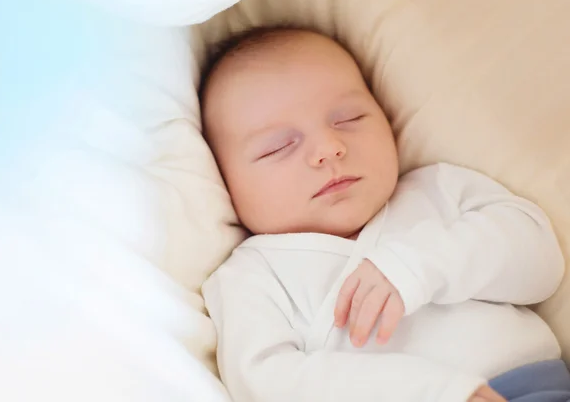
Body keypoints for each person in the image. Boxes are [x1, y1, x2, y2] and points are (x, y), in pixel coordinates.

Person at [199, 27, 569, 402]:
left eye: (348, 119)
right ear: (225, 180)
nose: (329, 147)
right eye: (278, 147)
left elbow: (541, 263)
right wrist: (432, 391)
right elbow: (267, 383)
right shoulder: (252, 275)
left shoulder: (437, 190)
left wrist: (417, 265)